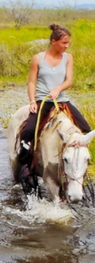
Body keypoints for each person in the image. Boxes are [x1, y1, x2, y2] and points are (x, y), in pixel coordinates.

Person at [19, 24, 91, 180]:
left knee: (86, 128)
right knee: (28, 130)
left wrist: (58, 89)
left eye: (68, 43)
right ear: (53, 41)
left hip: (62, 100)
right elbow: (31, 83)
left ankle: (80, 163)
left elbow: (69, 80)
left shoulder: (68, 58)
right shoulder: (37, 59)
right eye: (64, 43)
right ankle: (25, 165)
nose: (67, 46)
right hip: (43, 100)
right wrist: (32, 101)